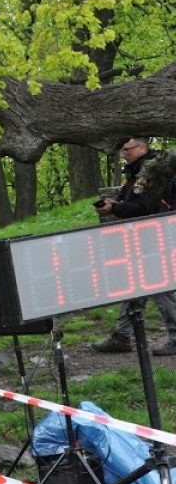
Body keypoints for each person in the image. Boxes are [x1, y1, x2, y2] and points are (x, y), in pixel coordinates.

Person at [93, 137, 176, 356]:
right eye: (121, 150)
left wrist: (115, 209)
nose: (123, 153)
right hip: (144, 236)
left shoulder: (154, 172)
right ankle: (122, 336)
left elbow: (144, 207)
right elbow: (133, 201)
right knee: (134, 285)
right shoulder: (137, 171)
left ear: (142, 147)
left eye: (127, 149)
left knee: (161, 287)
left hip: (157, 235)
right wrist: (114, 204)